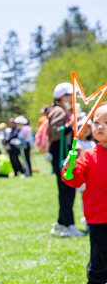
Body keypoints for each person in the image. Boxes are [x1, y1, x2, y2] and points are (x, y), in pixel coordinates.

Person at [62, 103, 107, 284]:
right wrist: (69, 166)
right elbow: (74, 180)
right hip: (98, 216)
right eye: (96, 122)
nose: (100, 127)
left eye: (106, 122)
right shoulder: (88, 156)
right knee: (100, 254)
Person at [48, 82, 84, 238]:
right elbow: (55, 132)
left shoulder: (61, 111)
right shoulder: (59, 111)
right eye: (70, 95)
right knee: (67, 189)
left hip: (60, 152)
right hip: (60, 153)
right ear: (62, 96)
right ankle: (68, 225)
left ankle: (62, 222)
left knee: (65, 190)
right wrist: (71, 125)